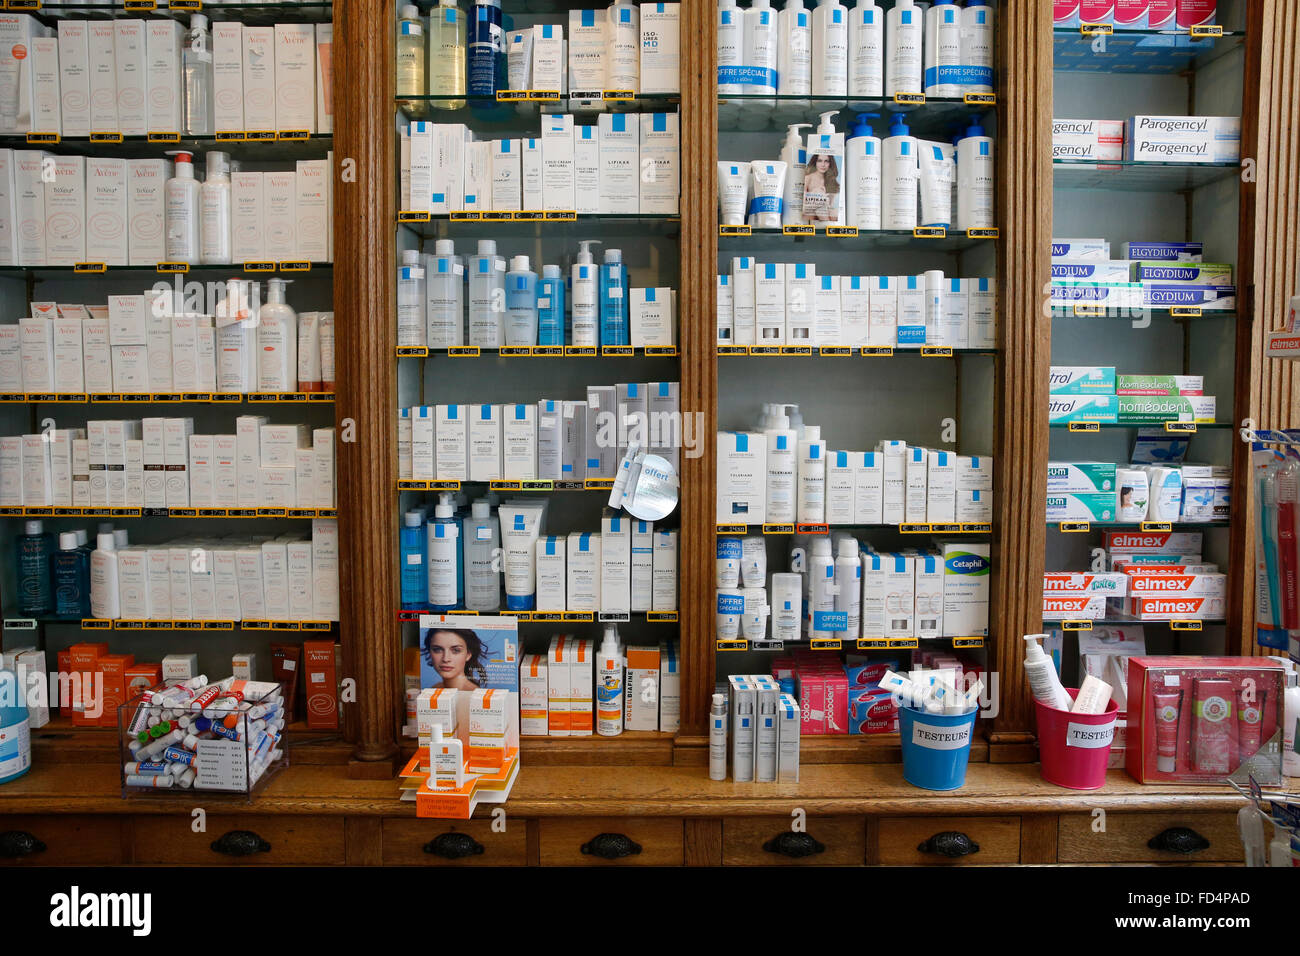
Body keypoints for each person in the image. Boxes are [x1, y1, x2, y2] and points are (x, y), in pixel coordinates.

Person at [422, 627, 489, 690]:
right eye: (437, 650)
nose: (445, 659)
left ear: (468, 654)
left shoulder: (470, 695)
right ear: (430, 651)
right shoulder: (436, 688)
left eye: (456, 650)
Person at [802, 153, 841, 223]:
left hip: (824, 214)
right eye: (819, 161)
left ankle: (827, 226)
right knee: (818, 195)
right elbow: (803, 206)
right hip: (810, 214)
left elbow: (830, 206)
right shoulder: (808, 178)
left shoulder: (831, 181)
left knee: (834, 213)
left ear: (830, 164)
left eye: (826, 161)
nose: (823, 165)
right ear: (815, 162)